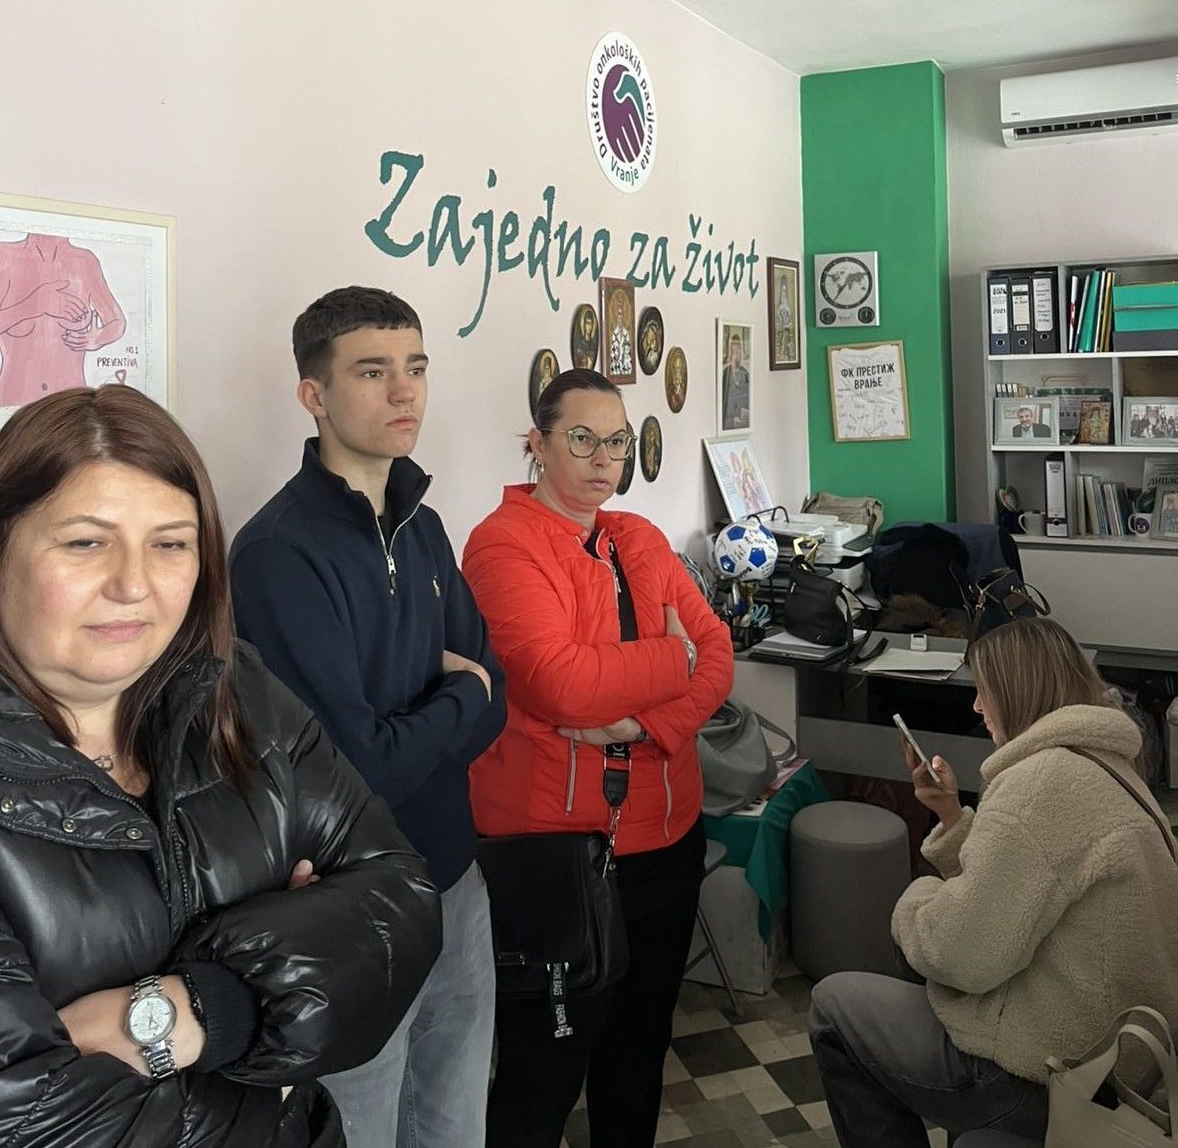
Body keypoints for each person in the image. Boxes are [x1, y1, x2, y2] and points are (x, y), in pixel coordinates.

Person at [0, 385, 442, 1147]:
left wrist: (203, 1014)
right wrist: (278, 1065)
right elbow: (17, 1124)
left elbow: (403, 900)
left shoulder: (236, 692)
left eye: (170, 544)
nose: (134, 584)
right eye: (85, 542)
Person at [230, 286, 506, 1148]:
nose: (404, 391)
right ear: (312, 394)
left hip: (455, 880)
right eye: (373, 371)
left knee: (457, 1123)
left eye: (416, 368)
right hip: (352, 906)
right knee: (361, 1130)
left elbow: (498, 704)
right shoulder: (278, 552)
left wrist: (452, 706)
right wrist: (461, 696)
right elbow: (359, 768)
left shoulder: (424, 527)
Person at [463, 369, 734, 1147]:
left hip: (666, 843)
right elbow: (558, 683)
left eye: (616, 441)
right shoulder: (501, 544)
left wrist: (643, 726)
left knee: (637, 1055)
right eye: (581, 438)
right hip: (557, 855)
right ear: (538, 443)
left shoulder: (638, 537)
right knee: (542, 1074)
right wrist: (673, 660)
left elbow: (717, 656)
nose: (602, 458)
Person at [809, 617, 1178, 1148]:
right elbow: (1027, 882)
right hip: (1122, 1065)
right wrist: (951, 816)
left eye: (985, 691)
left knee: (833, 1007)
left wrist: (916, 900)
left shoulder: (1039, 784)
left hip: (1051, 1077)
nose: (978, 706)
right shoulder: (1111, 767)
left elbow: (960, 954)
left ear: (1018, 691)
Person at [0, 232, 128, 407]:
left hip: (72, 407)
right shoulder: (2, 256)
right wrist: (33, 305)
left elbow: (117, 322)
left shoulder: (85, 261)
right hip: (13, 404)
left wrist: (97, 338)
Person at [721, 332, 749, 429]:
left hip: (743, 423)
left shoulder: (745, 373)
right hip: (728, 422)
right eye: (734, 352)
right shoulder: (726, 373)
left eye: (739, 352)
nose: (737, 356)